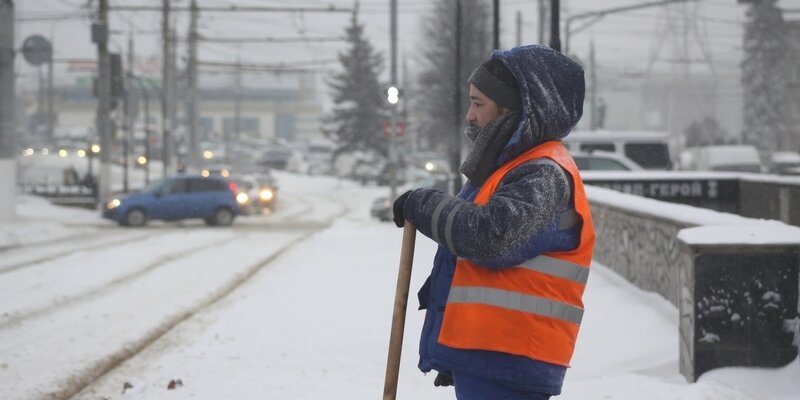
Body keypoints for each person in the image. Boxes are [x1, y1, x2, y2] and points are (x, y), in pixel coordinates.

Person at [392, 45, 596, 399]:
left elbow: (490, 236)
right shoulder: (510, 168)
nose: (470, 116)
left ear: (513, 108)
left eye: (479, 103)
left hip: (512, 357)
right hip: (494, 354)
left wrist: (424, 204)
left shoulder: (543, 174)